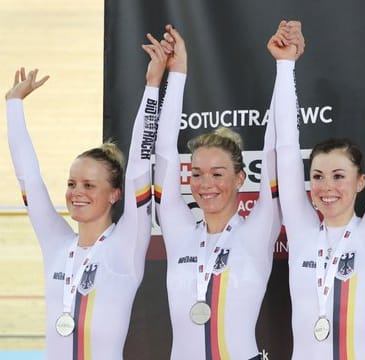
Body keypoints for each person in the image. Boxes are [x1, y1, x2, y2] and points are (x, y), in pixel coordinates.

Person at [5, 33, 167, 358]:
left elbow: (138, 165)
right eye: (72, 183)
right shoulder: (57, 244)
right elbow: (29, 178)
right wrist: (13, 105)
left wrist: (152, 87)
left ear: (114, 194)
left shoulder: (125, 245)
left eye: (89, 185)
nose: (76, 193)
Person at [270, 20, 365, 358]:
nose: (326, 187)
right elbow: (285, 147)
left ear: (361, 182)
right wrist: (285, 66)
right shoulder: (302, 231)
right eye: (317, 176)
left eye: (339, 176)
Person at [154, 24, 281, 359]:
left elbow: (275, 147)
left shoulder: (257, 230)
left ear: (240, 178)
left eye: (217, 173)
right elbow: (164, 150)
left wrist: (284, 68)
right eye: (196, 173)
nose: (205, 184)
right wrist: (177, 74)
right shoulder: (180, 231)